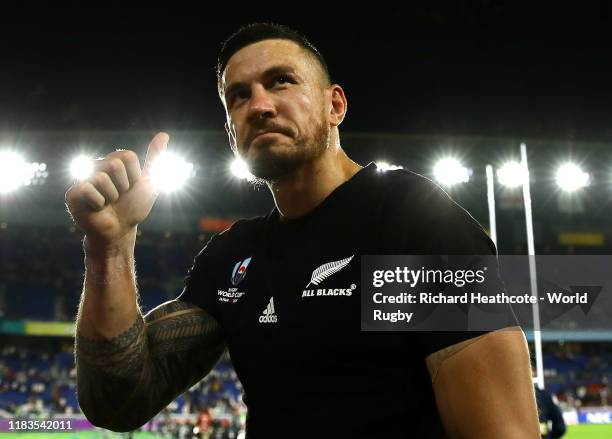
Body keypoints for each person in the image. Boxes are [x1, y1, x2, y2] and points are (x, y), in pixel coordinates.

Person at [66, 23, 540, 438]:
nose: (259, 105)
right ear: (231, 134)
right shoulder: (234, 258)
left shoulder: (413, 221)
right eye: (239, 96)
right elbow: (118, 401)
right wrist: (109, 245)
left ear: (335, 105)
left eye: (281, 82)